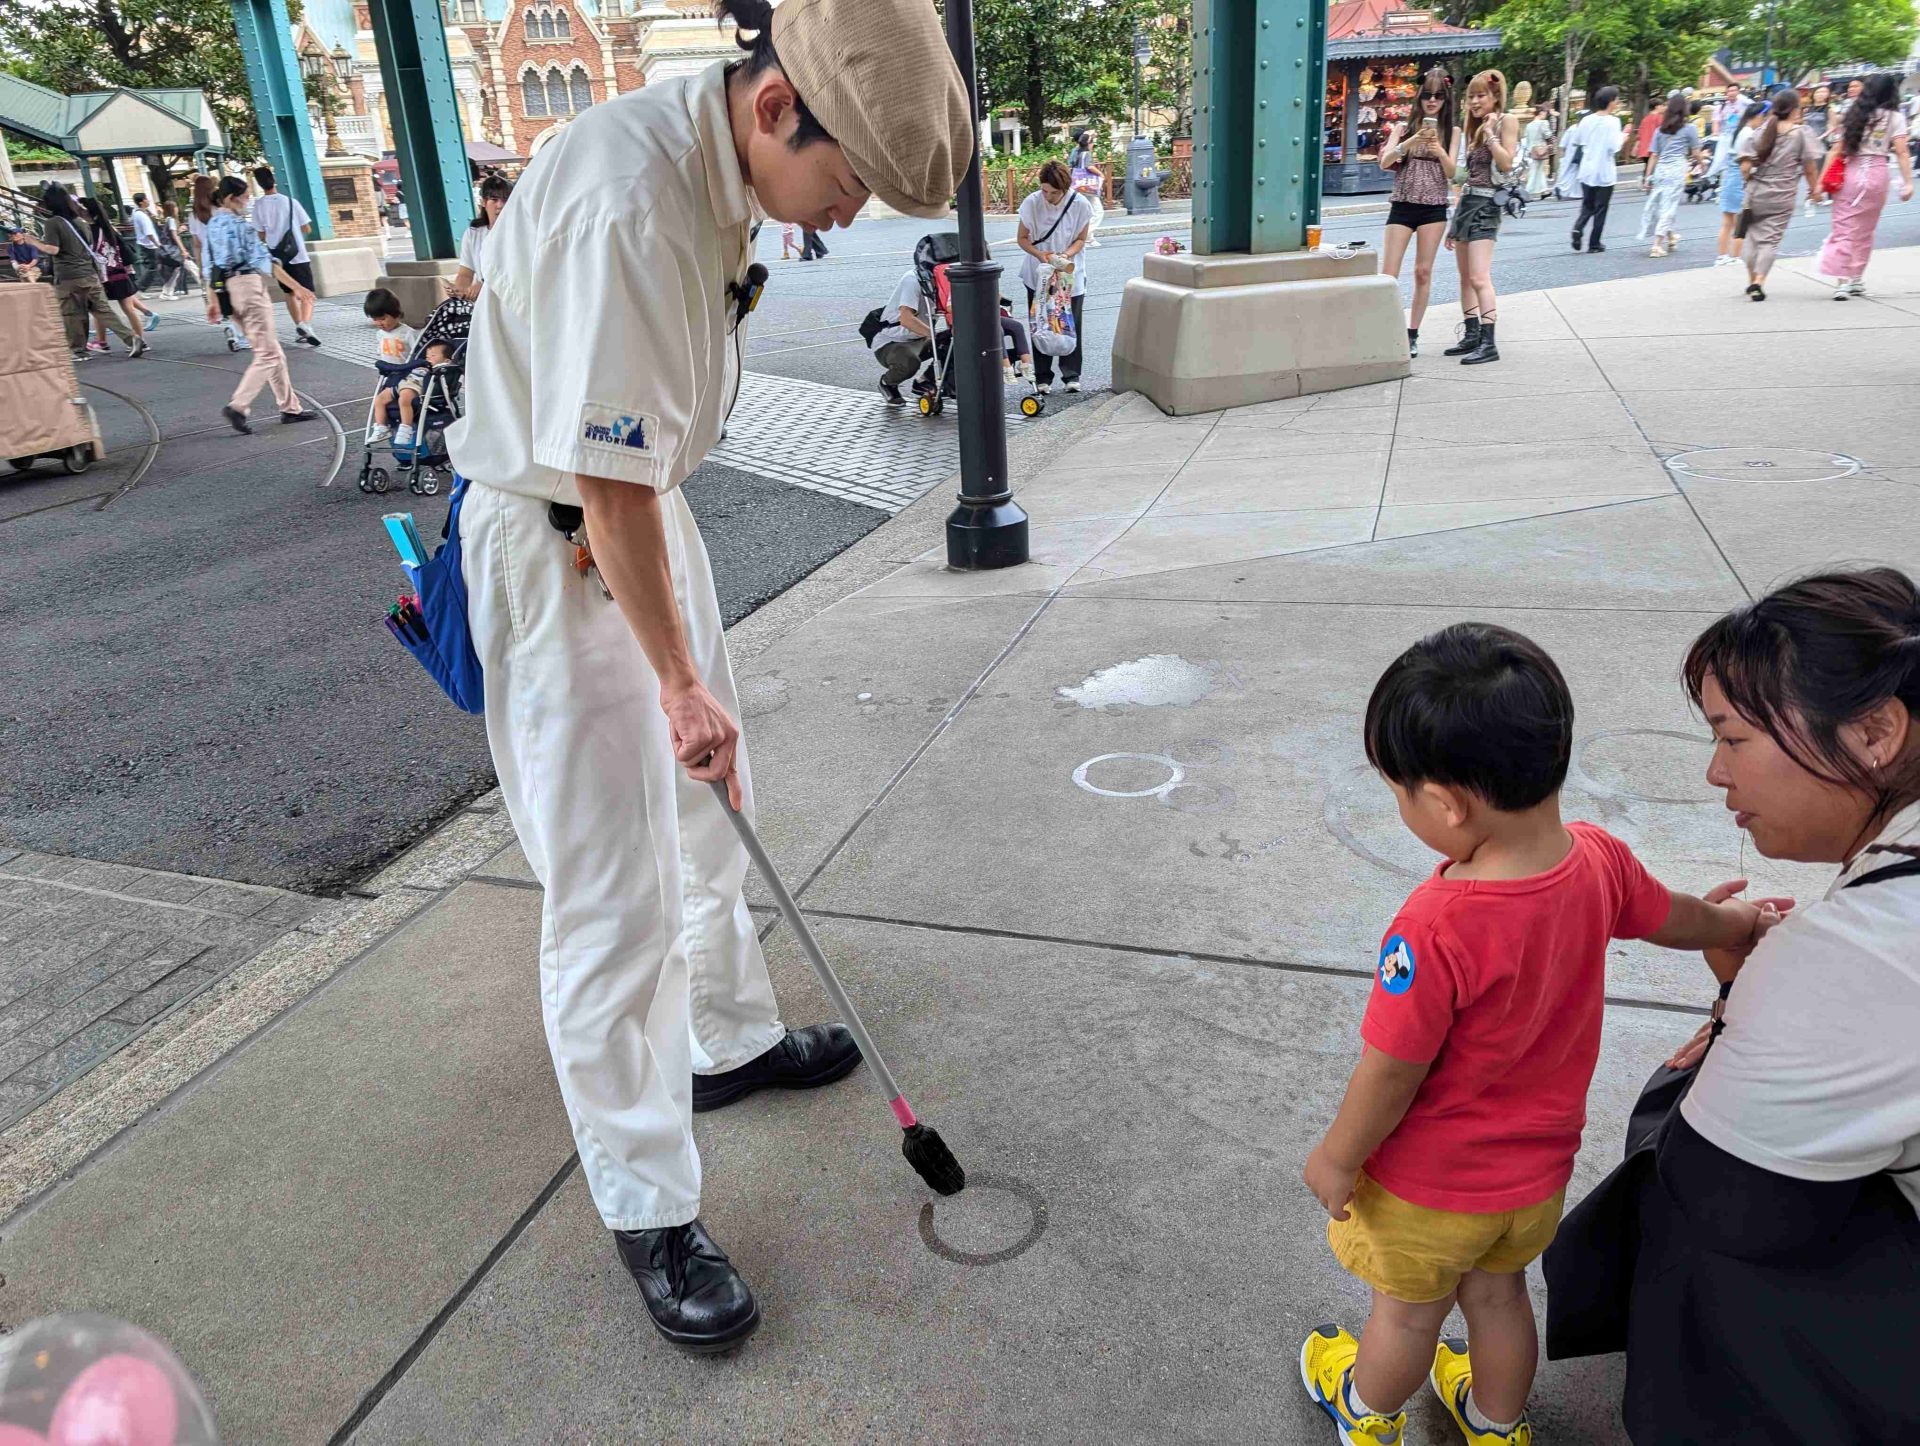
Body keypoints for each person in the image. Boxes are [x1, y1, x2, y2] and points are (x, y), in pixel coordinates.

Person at [443, 0, 970, 1352]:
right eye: (845, 180)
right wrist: (676, 677)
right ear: (774, 105)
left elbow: (640, 464)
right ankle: (646, 1203)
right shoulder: (632, 200)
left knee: (712, 801)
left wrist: (689, 681)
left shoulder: (722, 164)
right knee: (608, 890)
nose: (843, 216)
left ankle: (726, 1039)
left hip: (633, 510)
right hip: (559, 532)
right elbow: (599, 482)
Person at [1299, 623, 1770, 1446]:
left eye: (1399, 791)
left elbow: (1392, 1071)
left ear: (1446, 803)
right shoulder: (1598, 860)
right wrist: (1737, 920)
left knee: (1406, 1320)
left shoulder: (1435, 927)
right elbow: (1679, 917)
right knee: (1499, 1296)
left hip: (1426, 1188)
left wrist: (1338, 1157)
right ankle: (1496, 1422)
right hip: (1534, 1180)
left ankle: (1365, 1414)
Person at [1604, 568, 1920, 1443]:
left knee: (1685, 1201)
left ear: (1874, 731)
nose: (1714, 772)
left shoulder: (1856, 952)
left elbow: (1728, 1197)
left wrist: (1736, 1009)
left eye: (1734, 738)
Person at [202, 175, 319, 432]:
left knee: (273, 350)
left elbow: (209, 266)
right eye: (244, 198)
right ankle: (238, 406)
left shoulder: (213, 224)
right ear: (232, 199)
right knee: (267, 354)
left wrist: (212, 301)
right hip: (248, 288)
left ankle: (290, 407)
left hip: (226, 293)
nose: (247, 203)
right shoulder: (239, 226)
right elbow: (265, 260)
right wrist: (298, 287)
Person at [13, 185, 142, 361]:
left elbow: (52, 249)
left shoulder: (53, 223)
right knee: (103, 310)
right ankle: (132, 338)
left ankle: (79, 351)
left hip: (68, 276)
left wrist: (33, 241)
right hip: (89, 273)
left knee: (72, 315)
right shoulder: (81, 222)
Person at [1441, 70, 1517, 367]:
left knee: (1479, 276)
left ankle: (1489, 342)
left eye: (1480, 95)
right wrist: (1454, 222)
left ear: (1495, 96)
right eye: (1471, 96)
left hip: (1487, 206)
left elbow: (1506, 163)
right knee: (1464, 278)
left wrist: (1490, 136)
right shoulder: (1472, 127)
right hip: (1467, 203)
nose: (1474, 101)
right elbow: (1465, 177)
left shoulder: (1505, 121)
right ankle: (1472, 334)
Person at [1376, 68, 1453, 358]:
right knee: (1389, 274)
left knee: (1423, 272)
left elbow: (1452, 173)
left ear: (1446, 99)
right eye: (1427, 96)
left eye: (1439, 96)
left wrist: (1438, 148)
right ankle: (1387, 328)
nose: (1432, 101)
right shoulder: (1402, 129)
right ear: (1419, 98)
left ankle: (1412, 333)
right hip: (1403, 204)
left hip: (1434, 206)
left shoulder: (1451, 131)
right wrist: (1411, 141)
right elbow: (1385, 162)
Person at [1817, 72, 1914, 300]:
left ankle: (1841, 281)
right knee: (1865, 231)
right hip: (1878, 175)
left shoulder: (1853, 114)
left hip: (1850, 175)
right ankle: (1857, 278)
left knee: (1844, 228)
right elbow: (1902, 151)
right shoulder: (1895, 117)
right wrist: (1908, 183)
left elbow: (1836, 150)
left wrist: (1821, 182)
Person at [1736, 87, 1823, 301]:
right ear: (1794, 109)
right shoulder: (1801, 133)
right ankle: (1758, 281)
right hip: (1783, 194)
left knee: (1752, 239)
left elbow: (1745, 167)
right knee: (1769, 241)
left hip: (1755, 193)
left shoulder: (1761, 131)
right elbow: (1810, 168)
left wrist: (1748, 182)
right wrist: (1814, 190)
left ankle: (1750, 280)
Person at [1016, 158, 1091, 394]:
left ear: (1065, 188)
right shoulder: (1032, 203)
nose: (1048, 196)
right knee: (1040, 322)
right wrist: (1040, 255)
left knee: (1069, 322)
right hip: (1038, 272)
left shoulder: (1080, 204)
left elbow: (1081, 239)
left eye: (1054, 192)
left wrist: (1065, 255)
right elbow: (1022, 238)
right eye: (1044, 190)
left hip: (1069, 272)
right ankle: (1043, 377)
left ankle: (1071, 374)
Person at [250, 166, 321, 348]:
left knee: (289, 292)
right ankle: (305, 324)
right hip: (298, 254)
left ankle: (299, 326)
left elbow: (261, 234)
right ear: (274, 180)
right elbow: (307, 228)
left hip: (278, 257)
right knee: (307, 292)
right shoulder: (290, 202)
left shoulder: (258, 205)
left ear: (258, 184)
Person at [79, 196, 158, 341]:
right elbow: (123, 249)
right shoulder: (107, 227)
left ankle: (101, 342)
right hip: (118, 271)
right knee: (128, 308)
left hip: (101, 275)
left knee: (99, 309)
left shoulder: (86, 231)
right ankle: (141, 340)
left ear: (85, 212)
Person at [1637, 92, 1703, 257]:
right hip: (1676, 169)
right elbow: (1696, 152)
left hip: (1661, 169)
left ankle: (1671, 236)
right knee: (1669, 206)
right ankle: (1657, 245)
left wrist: (1647, 176)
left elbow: (1653, 154)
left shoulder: (1660, 130)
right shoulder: (1689, 129)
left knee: (1662, 203)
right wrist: (1702, 163)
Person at [189, 175, 249, 352]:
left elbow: (197, 244)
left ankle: (232, 327)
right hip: (229, 260)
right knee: (238, 298)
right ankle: (241, 334)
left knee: (222, 297)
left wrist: (201, 266)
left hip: (211, 262)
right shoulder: (221, 209)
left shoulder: (194, 214)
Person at [1569, 85, 1624, 252]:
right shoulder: (1614, 122)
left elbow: (1577, 140)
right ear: (1610, 102)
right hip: (1605, 169)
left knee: (1587, 204)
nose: (1617, 102)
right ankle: (1594, 242)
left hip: (1587, 168)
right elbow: (1614, 147)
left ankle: (1578, 227)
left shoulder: (1586, 120)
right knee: (1601, 208)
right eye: (1616, 99)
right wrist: (1624, 137)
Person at [870, 267, 937, 403]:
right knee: (909, 362)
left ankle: (925, 382)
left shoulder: (947, 281)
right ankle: (888, 383)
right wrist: (933, 335)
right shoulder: (913, 279)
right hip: (892, 342)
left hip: (920, 338)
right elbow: (906, 319)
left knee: (956, 342)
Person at [363, 286, 421, 443]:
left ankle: (406, 428)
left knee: (404, 398)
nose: (379, 323)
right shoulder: (380, 334)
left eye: (383, 318)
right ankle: (381, 427)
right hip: (390, 377)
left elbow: (418, 354)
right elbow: (382, 355)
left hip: (407, 376)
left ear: (395, 314)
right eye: (375, 319)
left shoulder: (408, 333)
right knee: (379, 400)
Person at [452, 172, 511, 300]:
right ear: (483, 202)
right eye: (494, 200)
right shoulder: (473, 234)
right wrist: (459, 290)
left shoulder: (517, 232)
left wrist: (485, 284)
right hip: (484, 302)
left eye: (505, 200)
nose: (500, 205)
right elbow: (465, 273)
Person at [1069, 128, 1105, 248]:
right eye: (1092, 142)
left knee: (1085, 212)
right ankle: (1085, 236)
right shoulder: (1086, 154)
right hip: (1088, 186)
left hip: (1078, 185)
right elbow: (1089, 167)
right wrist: (1100, 174)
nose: (1093, 144)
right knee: (1098, 211)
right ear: (1088, 144)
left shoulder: (1077, 152)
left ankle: (1088, 238)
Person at [157, 200, 199, 298]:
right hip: (175, 251)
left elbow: (172, 235)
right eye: (175, 207)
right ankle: (205, 287)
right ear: (172, 209)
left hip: (172, 250)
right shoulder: (171, 220)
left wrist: (179, 230)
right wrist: (183, 250)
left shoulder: (167, 220)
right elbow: (174, 236)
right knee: (192, 267)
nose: (177, 209)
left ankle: (166, 292)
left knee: (176, 271)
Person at [1519, 103, 1553, 197]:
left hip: (1532, 149)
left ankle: (1543, 190)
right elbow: (1547, 135)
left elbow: (1526, 138)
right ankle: (1529, 191)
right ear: (1541, 112)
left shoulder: (1529, 125)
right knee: (1536, 170)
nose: (1546, 114)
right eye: (1545, 112)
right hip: (1541, 148)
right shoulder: (1543, 123)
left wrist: (1529, 149)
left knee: (1538, 169)